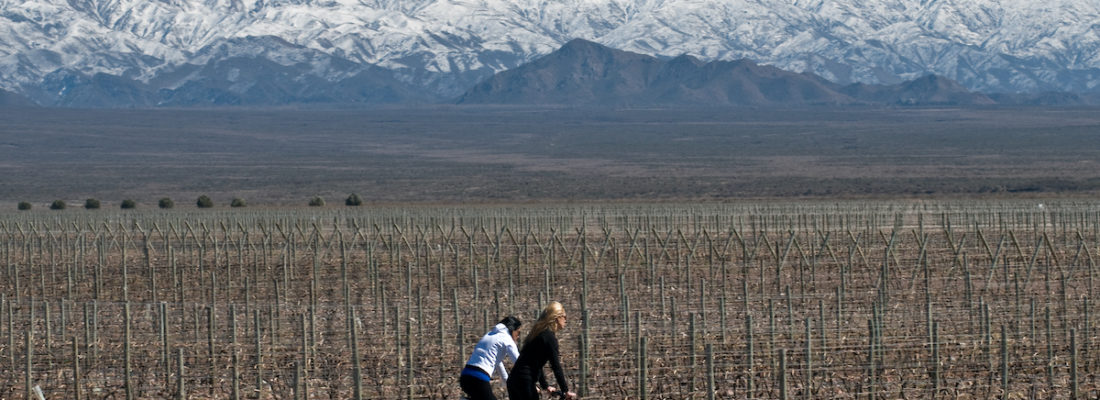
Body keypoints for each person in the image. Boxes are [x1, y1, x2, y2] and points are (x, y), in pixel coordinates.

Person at [507, 301, 577, 400]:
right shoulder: (549, 338)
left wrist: (545, 386)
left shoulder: (538, 334)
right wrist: (565, 391)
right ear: (557, 318)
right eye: (564, 316)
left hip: (514, 380)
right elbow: (556, 366)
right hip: (524, 382)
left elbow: (535, 364)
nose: (566, 320)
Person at [461, 316, 523, 400]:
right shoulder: (507, 339)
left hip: (465, 376)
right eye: (518, 332)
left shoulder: (489, 335)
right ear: (512, 329)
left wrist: (505, 380)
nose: (518, 336)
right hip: (479, 378)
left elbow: (496, 362)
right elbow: (519, 363)